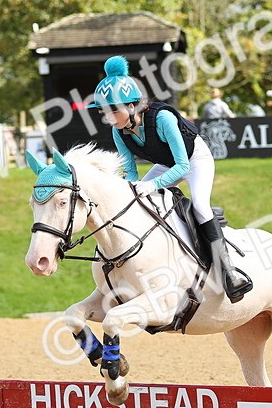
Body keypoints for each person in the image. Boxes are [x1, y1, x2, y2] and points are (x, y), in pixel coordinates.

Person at [89, 56, 252, 303]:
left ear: (132, 106)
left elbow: (183, 166)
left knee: (199, 205)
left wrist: (152, 184)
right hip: (166, 165)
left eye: (114, 110)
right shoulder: (118, 131)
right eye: (105, 111)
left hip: (195, 160)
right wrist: (133, 188)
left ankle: (229, 273)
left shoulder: (163, 118)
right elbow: (130, 172)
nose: (110, 117)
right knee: (136, 201)